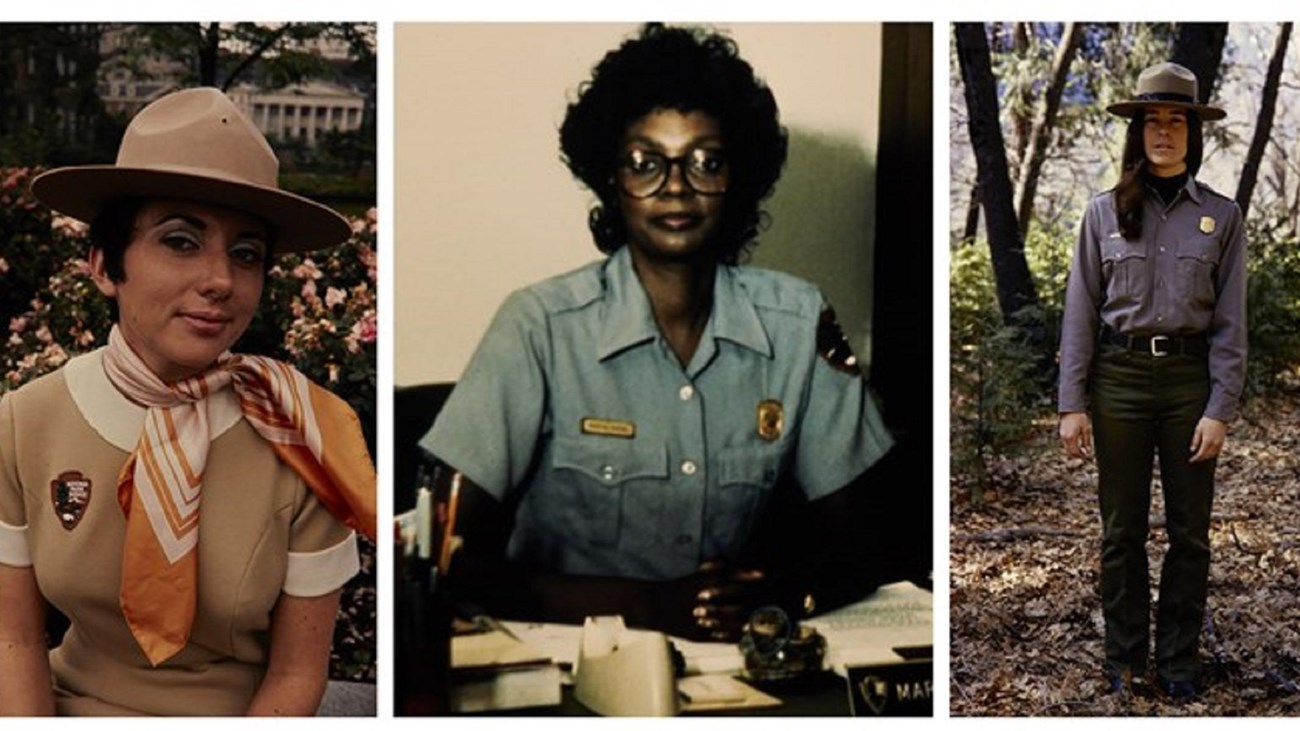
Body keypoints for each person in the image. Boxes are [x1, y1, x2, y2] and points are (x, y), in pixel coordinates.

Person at [420, 24, 894, 643]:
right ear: (611, 179)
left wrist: (780, 592)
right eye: (646, 163)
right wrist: (646, 606)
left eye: (706, 162)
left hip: (734, 670)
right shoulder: (539, 326)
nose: (676, 186)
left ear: (738, 178)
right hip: (566, 664)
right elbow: (449, 563)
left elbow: (865, 539)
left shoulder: (799, 321)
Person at [0, 88, 377, 716]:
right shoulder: (24, 422)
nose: (221, 281)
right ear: (103, 264)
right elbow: (12, 640)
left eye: (246, 254)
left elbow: (296, 675)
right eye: (180, 241)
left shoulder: (305, 434)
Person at [1058, 62, 1247, 700]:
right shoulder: (1104, 214)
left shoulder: (1220, 217)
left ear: (1193, 134)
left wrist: (1220, 407)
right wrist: (1071, 405)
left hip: (1189, 383)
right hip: (1119, 381)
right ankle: (1127, 658)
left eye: (1176, 121)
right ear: (1137, 132)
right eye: (1153, 121)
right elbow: (1080, 312)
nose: (1164, 132)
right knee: (1122, 531)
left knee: (1190, 531)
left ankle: (1180, 662)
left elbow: (1230, 321)